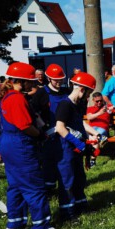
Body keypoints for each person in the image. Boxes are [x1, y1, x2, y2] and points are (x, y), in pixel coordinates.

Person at [0, 62, 63, 229]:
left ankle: (14, 224)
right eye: (30, 82)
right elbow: (25, 126)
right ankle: (41, 227)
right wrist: (41, 135)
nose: (33, 85)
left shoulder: (7, 96)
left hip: (7, 142)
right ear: (21, 81)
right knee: (34, 185)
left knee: (16, 185)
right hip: (20, 144)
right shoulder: (17, 99)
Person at [55, 72, 100, 222]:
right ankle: (67, 213)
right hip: (66, 147)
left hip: (77, 146)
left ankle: (81, 205)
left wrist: (93, 134)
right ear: (82, 89)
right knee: (67, 180)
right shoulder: (64, 104)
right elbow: (60, 128)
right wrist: (80, 144)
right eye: (88, 93)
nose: (89, 97)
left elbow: (80, 123)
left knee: (79, 177)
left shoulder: (78, 105)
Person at [30, 64, 70, 193]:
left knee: (64, 161)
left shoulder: (66, 92)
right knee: (48, 162)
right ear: (48, 78)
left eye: (61, 79)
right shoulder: (41, 93)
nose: (59, 82)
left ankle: (65, 185)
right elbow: (33, 112)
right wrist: (42, 126)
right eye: (56, 79)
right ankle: (49, 188)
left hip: (64, 132)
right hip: (48, 134)